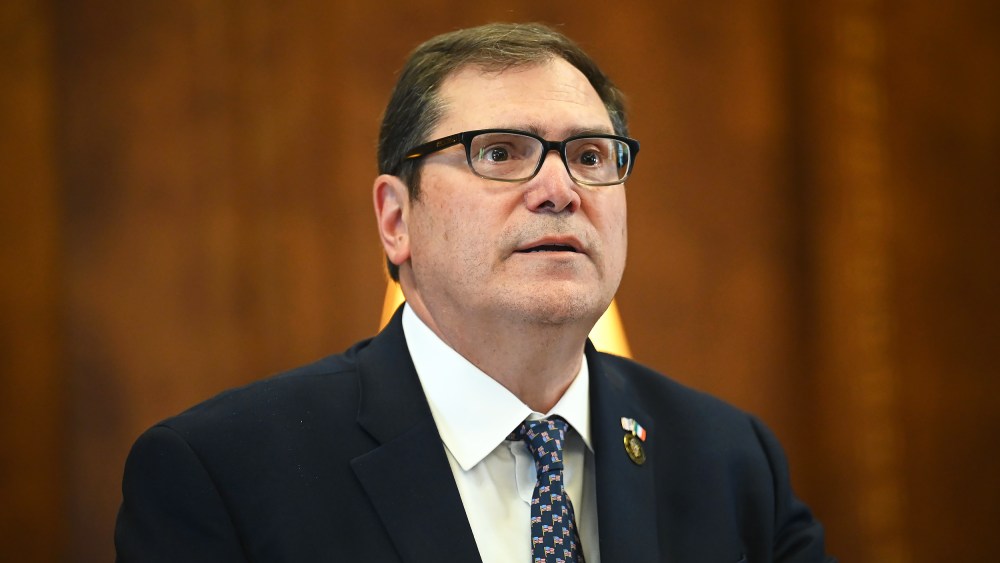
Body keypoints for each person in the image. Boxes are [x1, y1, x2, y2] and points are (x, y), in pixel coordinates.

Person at [115, 22, 834, 563]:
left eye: (589, 156)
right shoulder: (221, 472)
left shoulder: (730, 458)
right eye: (499, 153)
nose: (559, 191)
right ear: (397, 219)